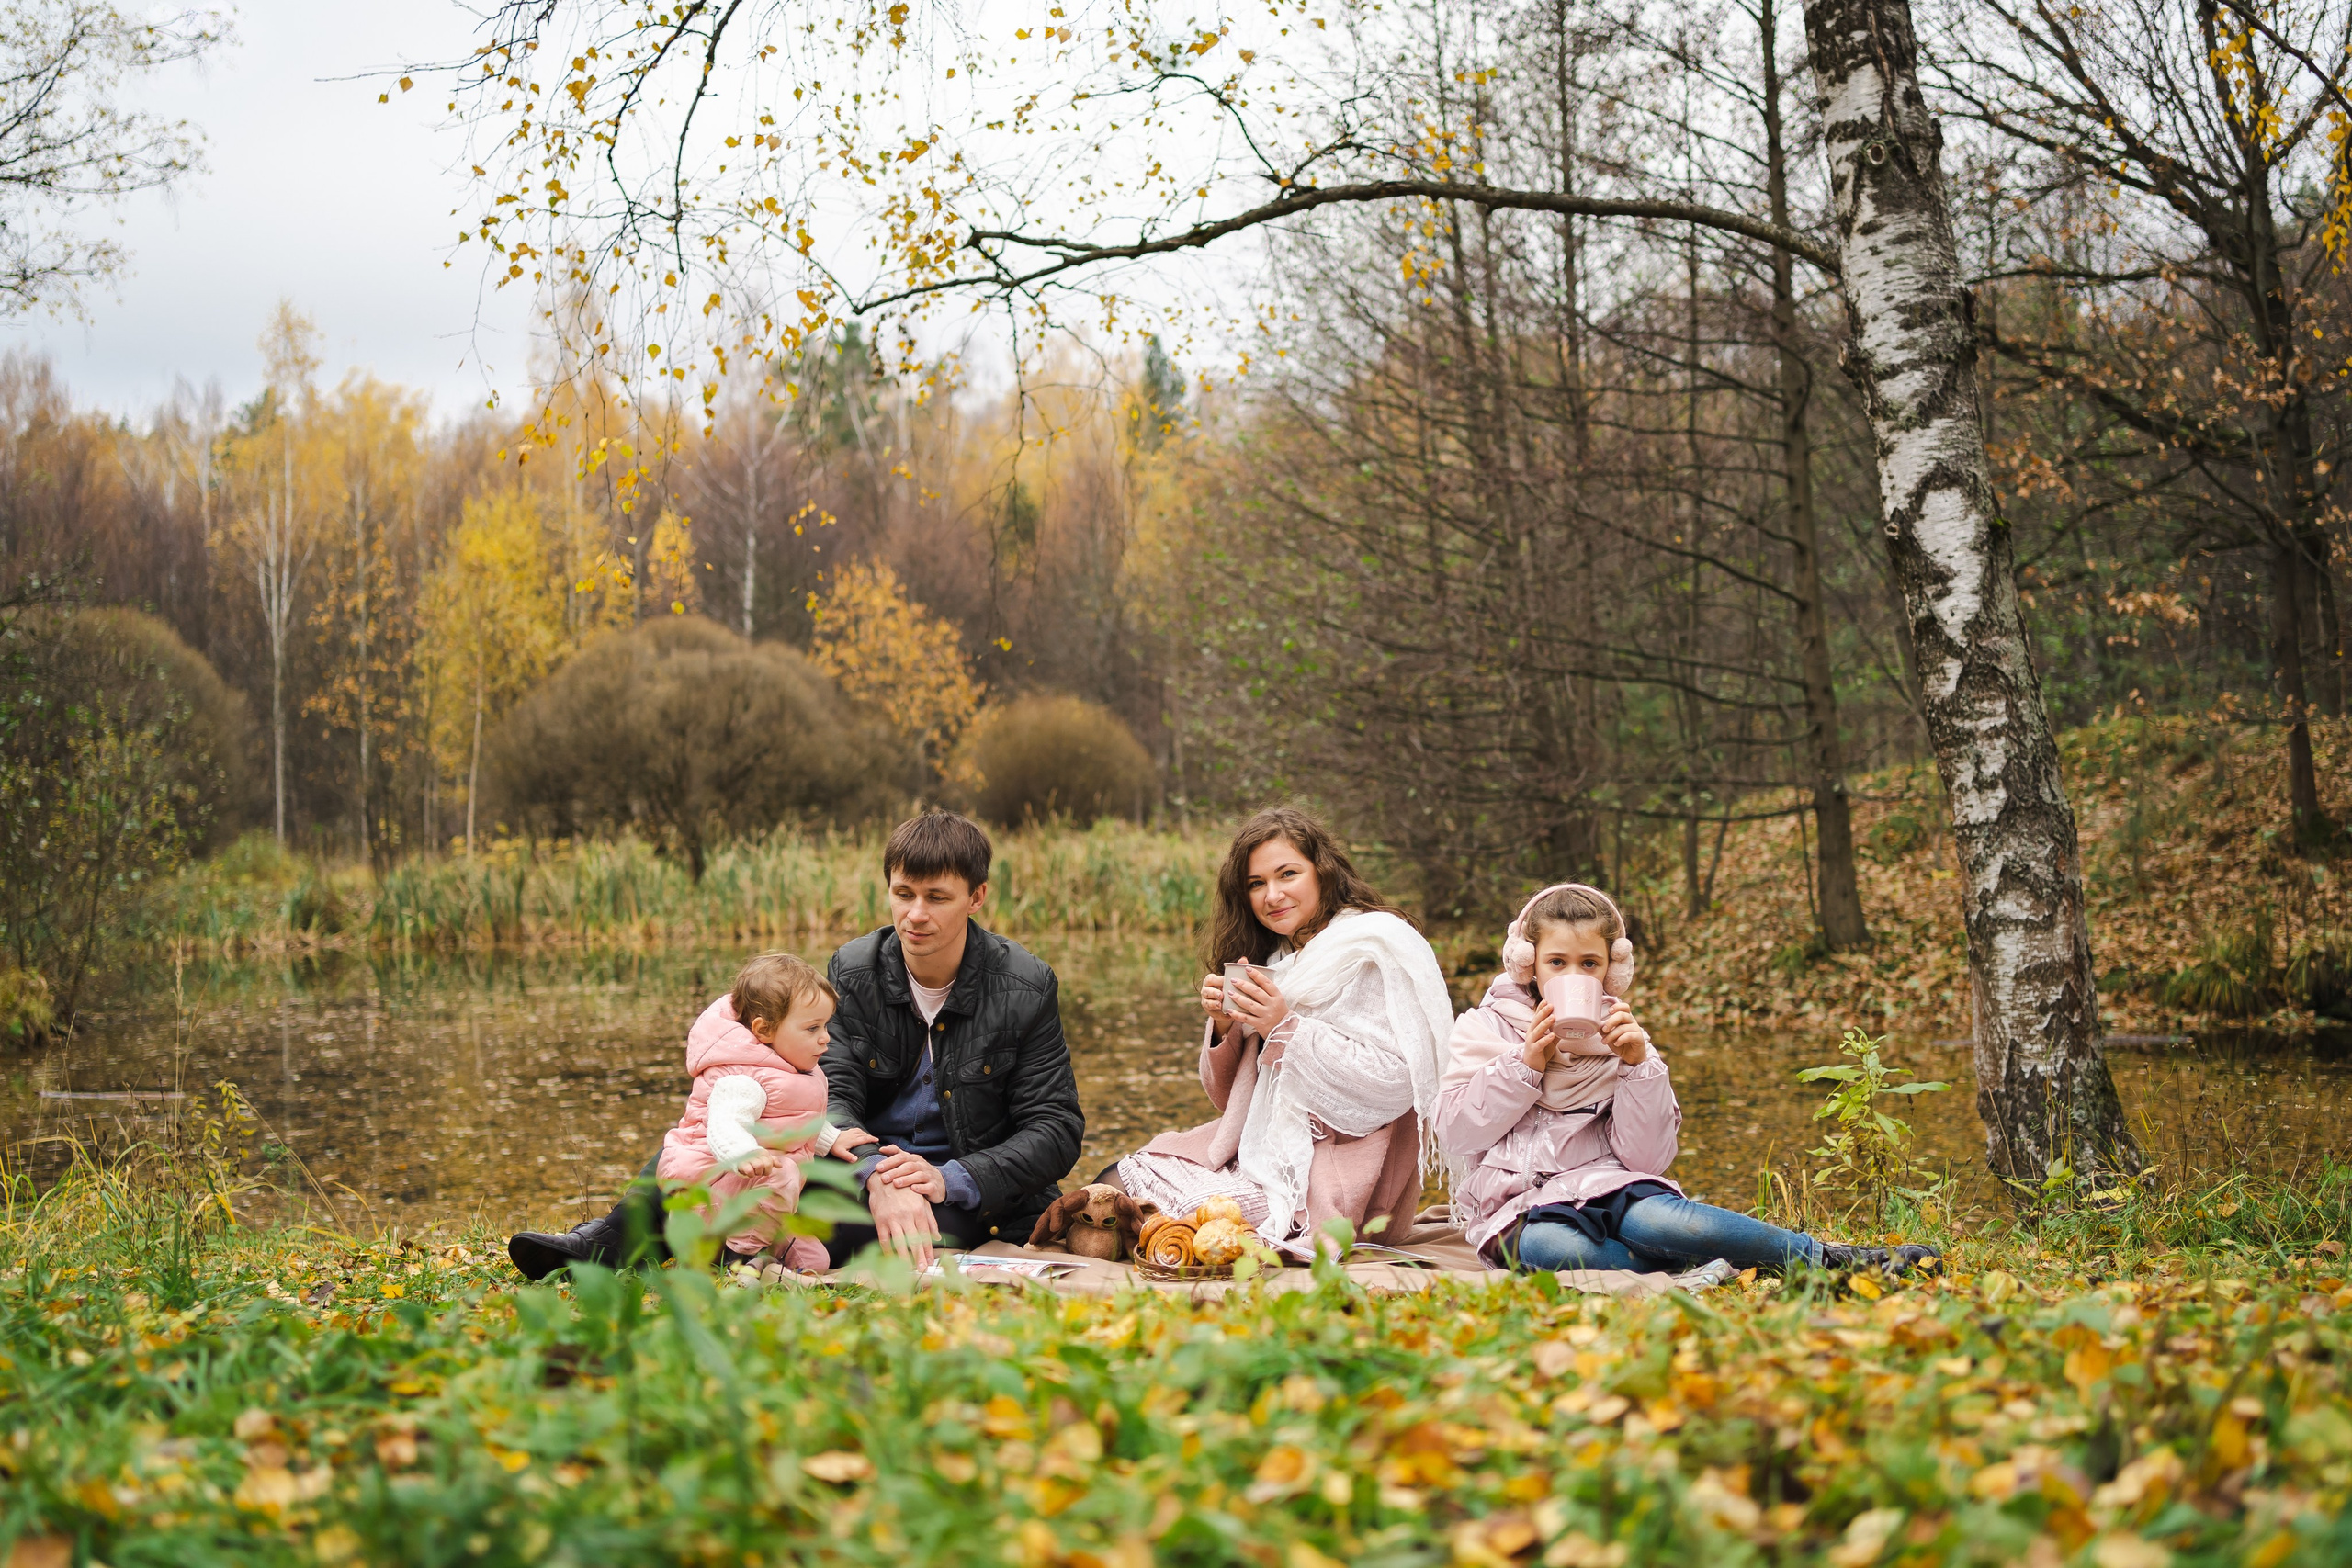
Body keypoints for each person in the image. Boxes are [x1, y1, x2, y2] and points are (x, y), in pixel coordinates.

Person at [507, 810, 1082, 1279]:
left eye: (937, 897)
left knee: (841, 1222)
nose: (915, 915)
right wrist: (877, 1173)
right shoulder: (855, 971)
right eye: (902, 893)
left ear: (977, 897)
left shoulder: (1025, 987)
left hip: (964, 1195)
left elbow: (1055, 1128)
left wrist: (949, 1178)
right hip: (859, 1169)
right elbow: (827, 1095)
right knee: (708, 1141)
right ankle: (601, 1242)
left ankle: (697, 1246)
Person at [1437, 883, 1940, 1276]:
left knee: (1667, 1220)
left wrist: (1639, 1069)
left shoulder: (1622, 1037)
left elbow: (1647, 1159)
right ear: (1527, 964)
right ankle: (1700, 1269)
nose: (1574, 975)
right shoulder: (1485, 1028)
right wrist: (1523, 1066)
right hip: (1519, 1205)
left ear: (1612, 971)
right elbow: (1457, 1133)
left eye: (1589, 964)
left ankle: (1831, 1259)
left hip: (1607, 1184)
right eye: (1557, 963)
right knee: (1556, 1248)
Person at [1111, 806, 1455, 1258]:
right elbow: (1226, 1101)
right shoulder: (1273, 962)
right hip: (1258, 1153)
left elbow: (1396, 1083)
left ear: (1323, 872)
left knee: (1173, 1216)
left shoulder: (1373, 948)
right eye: (1256, 884)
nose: (1272, 895)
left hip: (1337, 1175)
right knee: (1114, 1184)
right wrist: (1225, 1027)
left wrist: (1285, 1027)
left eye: (1287, 874)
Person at [653, 952, 860, 1275]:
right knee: (782, 1172)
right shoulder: (744, 1078)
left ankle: (759, 1252)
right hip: (710, 1197)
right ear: (764, 1030)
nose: (825, 1037)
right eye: (812, 1028)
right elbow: (724, 1123)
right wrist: (744, 1153)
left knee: (815, 1261)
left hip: (756, 1197)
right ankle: (740, 1258)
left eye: (826, 1025)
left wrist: (831, 1139)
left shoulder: (791, 1068)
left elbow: (794, 1117)